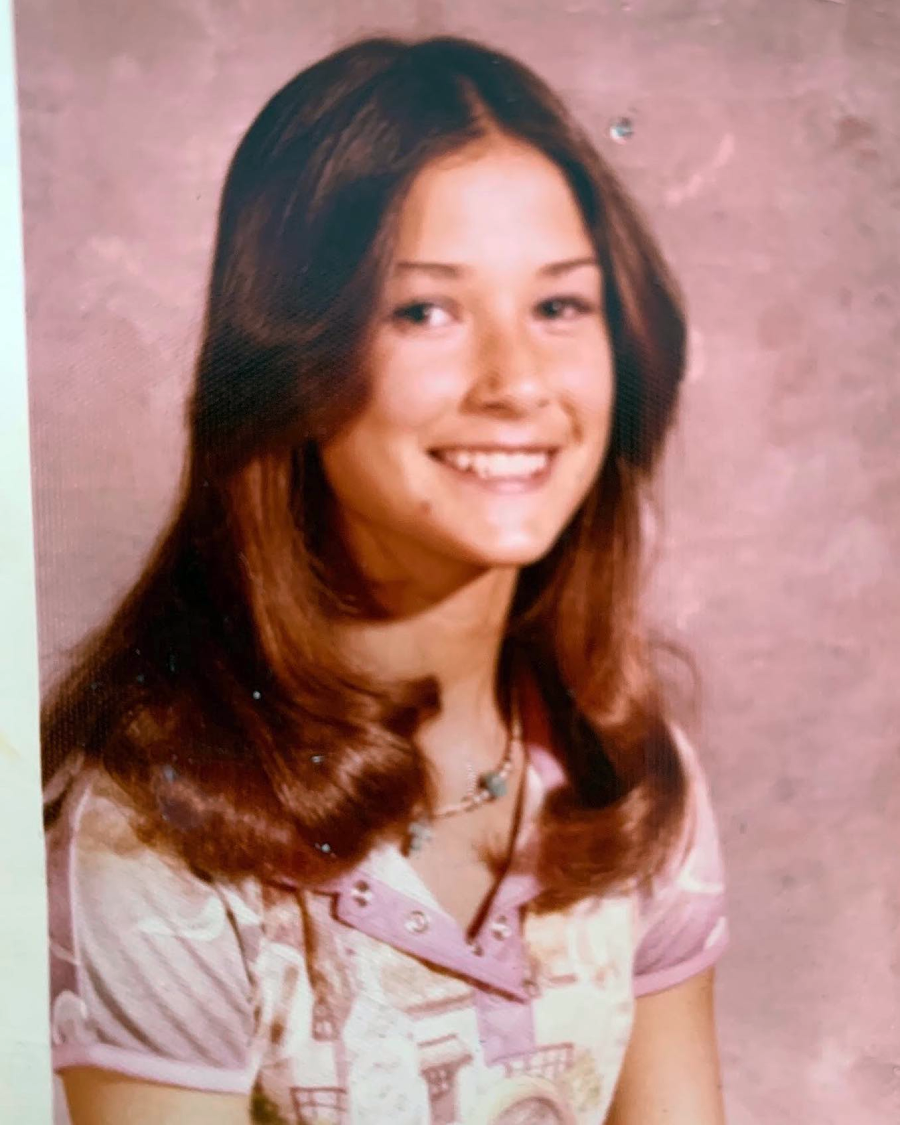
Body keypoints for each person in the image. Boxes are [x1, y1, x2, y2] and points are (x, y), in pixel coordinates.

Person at [42, 32, 729, 1125]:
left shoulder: (626, 767)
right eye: (426, 311)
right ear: (291, 362)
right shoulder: (162, 823)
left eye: (559, 306)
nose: (518, 382)